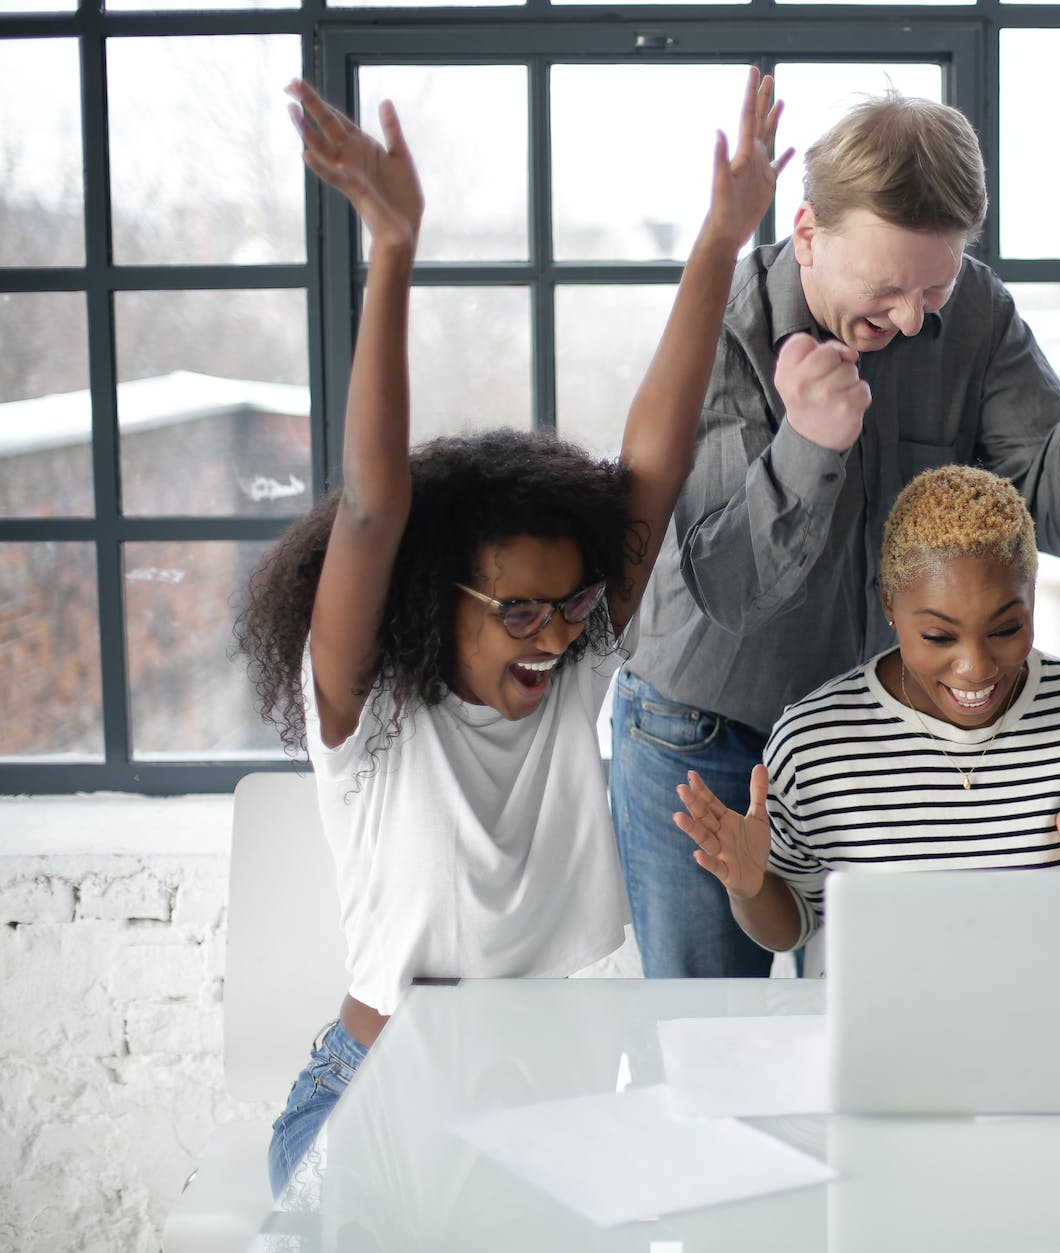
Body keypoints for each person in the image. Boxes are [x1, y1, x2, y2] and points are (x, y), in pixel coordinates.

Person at [234, 70, 790, 1193]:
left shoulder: (574, 665)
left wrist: (725, 235)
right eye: (519, 611)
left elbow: (652, 460)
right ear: (437, 598)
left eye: (573, 604)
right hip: (375, 1091)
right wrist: (391, 250)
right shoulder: (370, 714)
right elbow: (375, 506)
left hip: (555, 1103)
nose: (551, 636)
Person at [614, 91, 1060, 977]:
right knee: (707, 1034)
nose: (911, 319)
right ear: (808, 232)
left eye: (932, 286)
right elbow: (731, 588)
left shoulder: (975, 313)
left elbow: (1050, 520)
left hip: (866, 742)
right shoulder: (727, 325)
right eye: (886, 288)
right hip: (706, 729)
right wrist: (809, 445)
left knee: (877, 1018)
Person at [673, 465, 1060, 974]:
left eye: (1006, 628)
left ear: (1033, 599)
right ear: (890, 606)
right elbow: (797, 923)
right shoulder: (814, 743)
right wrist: (750, 889)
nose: (977, 667)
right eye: (940, 637)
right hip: (883, 1038)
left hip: (1050, 1029)